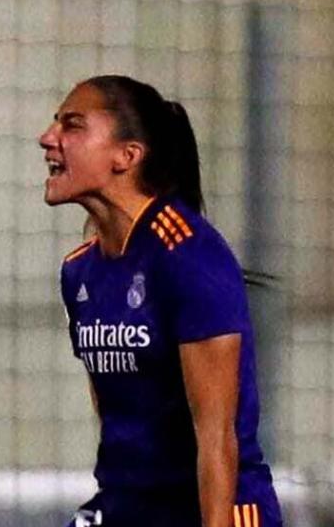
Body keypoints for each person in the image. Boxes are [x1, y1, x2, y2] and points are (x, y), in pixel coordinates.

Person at [40, 75, 282, 527]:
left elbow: (217, 438)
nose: (48, 139)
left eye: (72, 126)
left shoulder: (189, 257)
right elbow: (114, 410)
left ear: (126, 156)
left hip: (214, 506)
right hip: (129, 504)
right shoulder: (79, 272)